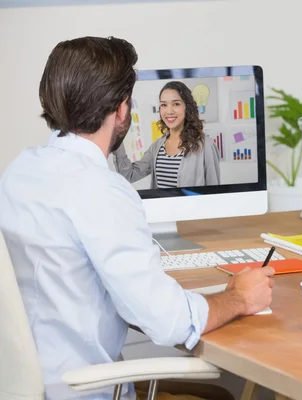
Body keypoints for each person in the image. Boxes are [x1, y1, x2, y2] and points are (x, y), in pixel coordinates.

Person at [0, 36, 273, 400]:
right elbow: (170, 322)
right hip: (84, 390)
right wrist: (239, 298)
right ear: (122, 109)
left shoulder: (19, 171)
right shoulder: (102, 191)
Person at [113, 81, 220, 189]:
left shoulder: (206, 146)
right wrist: (116, 135)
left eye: (176, 104)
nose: (169, 111)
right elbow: (129, 174)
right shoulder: (157, 146)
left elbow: (215, 192)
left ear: (187, 107)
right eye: (164, 105)